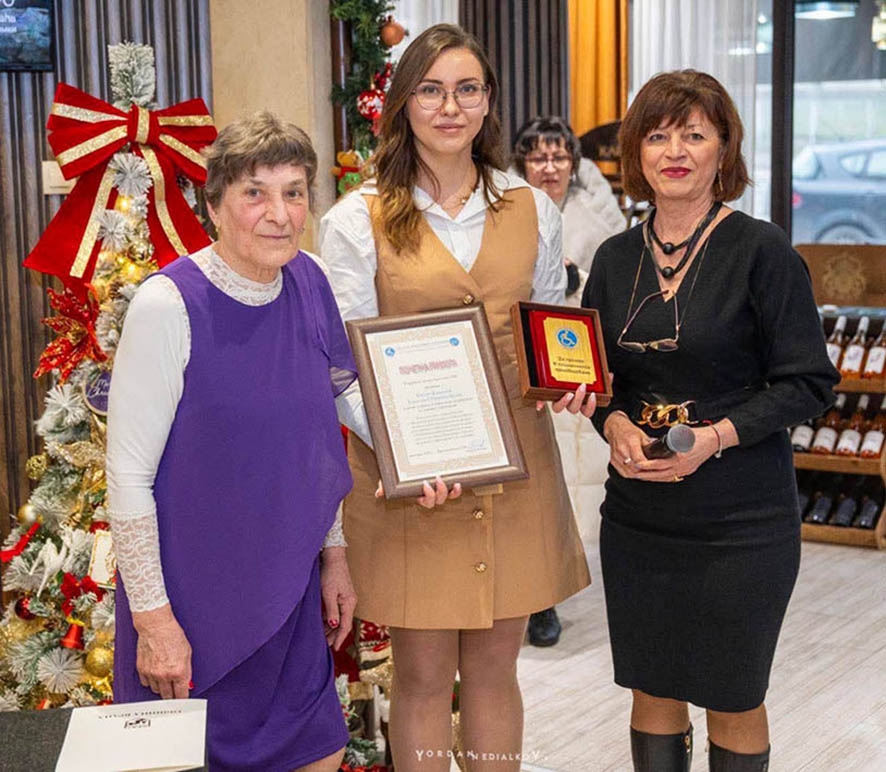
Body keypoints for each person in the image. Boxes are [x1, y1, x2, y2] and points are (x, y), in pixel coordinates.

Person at [320, 24, 592, 771]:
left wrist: (565, 381)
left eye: (467, 89)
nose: (450, 107)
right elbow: (342, 367)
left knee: (498, 669)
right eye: (432, 90)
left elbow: (546, 325)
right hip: (414, 483)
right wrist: (406, 455)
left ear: (488, 101)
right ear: (404, 102)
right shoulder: (355, 219)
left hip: (516, 469)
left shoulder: (532, 208)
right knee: (422, 675)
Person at [581, 70, 839, 771]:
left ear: (724, 149)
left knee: (733, 695)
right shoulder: (614, 259)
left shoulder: (762, 251)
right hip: (639, 519)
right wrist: (613, 423)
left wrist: (716, 438)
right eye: (657, 136)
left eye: (694, 135)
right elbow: (598, 383)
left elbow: (810, 382)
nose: (675, 151)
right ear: (635, 152)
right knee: (653, 687)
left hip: (741, 521)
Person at [107, 112, 357, 772]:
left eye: (294, 192)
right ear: (214, 204)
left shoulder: (310, 280)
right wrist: (154, 622)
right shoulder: (167, 304)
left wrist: (334, 556)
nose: (279, 213)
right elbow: (127, 478)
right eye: (255, 193)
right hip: (193, 608)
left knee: (320, 750)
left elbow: (316, 437)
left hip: (289, 594)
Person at [512, 116, 625, 647]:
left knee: (575, 484)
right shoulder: (507, 209)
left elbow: (616, 284)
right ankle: (536, 598)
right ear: (522, 162)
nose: (549, 167)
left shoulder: (596, 215)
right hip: (520, 361)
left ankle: (555, 585)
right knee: (532, 482)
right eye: (538, 157)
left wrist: (576, 280)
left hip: (577, 363)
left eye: (559, 157)